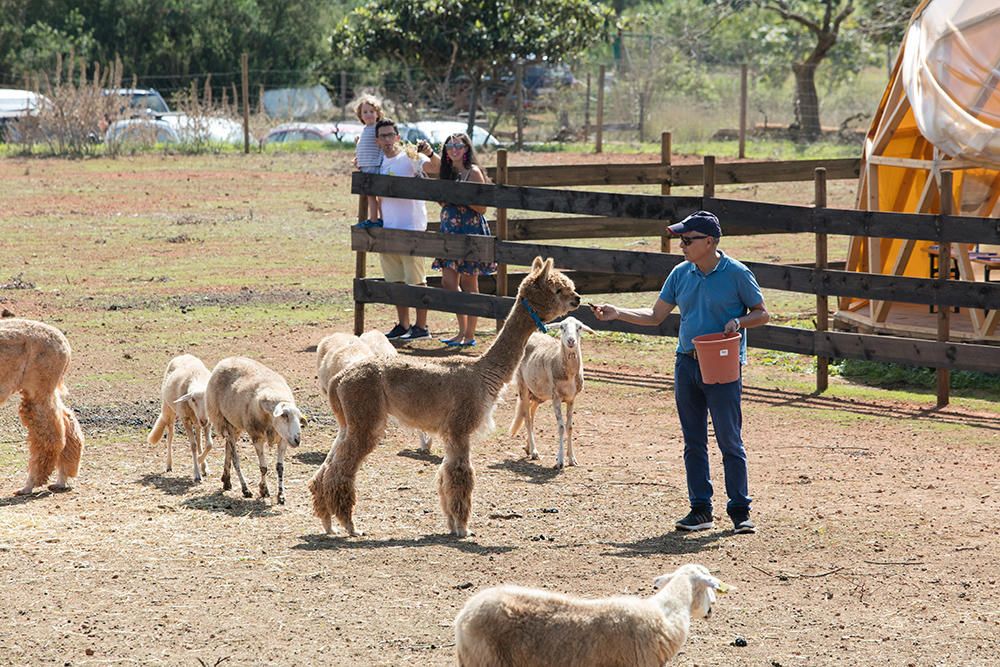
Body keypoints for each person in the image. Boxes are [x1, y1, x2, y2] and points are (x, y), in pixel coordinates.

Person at [591, 210, 769, 535]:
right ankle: (701, 510)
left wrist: (740, 322)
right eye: (681, 240)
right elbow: (655, 315)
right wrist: (618, 313)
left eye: (688, 240)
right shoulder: (680, 273)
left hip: (721, 364)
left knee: (729, 438)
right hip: (686, 362)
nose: (682, 246)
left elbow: (762, 313)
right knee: (693, 440)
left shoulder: (737, 274)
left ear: (710, 242)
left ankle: (740, 511)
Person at [423, 133, 497, 347]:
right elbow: (446, 204)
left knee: (468, 282)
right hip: (449, 231)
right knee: (448, 282)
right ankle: (461, 330)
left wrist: (459, 196)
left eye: (459, 146)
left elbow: (482, 208)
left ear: (466, 149)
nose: (454, 149)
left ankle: (469, 334)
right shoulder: (448, 173)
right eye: (450, 146)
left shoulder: (472, 172)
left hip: (469, 231)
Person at [374, 118, 436, 341]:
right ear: (378, 140)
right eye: (383, 136)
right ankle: (403, 324)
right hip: (389, 228)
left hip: (412, 227)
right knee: (395, 280)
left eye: (391, 135)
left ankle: (421, 327)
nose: (388, 140)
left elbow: (433, 167)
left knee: (416, 279)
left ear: (397, 137)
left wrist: (429, 153)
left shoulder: (409, 157)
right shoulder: (379, 162)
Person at [354, 95, 384, 228]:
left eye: (372, 111)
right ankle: (375, 219)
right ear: (360, 115)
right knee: (370, 195)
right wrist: (358, 160)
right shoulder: (365, 130)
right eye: (365, 112)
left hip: (374, 165)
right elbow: (364, 148)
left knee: (377, 195)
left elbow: (382, 146)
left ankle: (377, 220)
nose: (368, 114)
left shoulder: (378, 129)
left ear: (378, 114)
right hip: (365, 167)